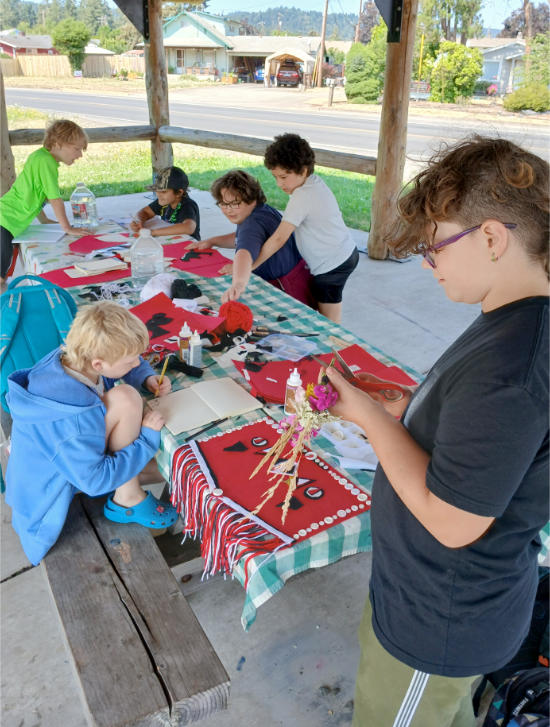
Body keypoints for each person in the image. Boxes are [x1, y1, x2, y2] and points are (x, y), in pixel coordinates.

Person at [325, 136, 549, 726]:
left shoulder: (511, 369)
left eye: (437, 247)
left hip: (441, 620)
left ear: (493, 237)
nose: (430, 264)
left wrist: (368, 417)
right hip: (443, 602)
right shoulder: (515, 320)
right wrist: (412, 406)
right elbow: (490, 440)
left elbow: (453, 521)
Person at [5, 301, 179, 566]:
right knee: (128, 401)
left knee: (168, 467)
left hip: (74, 462)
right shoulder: (71, 420)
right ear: (98, 364)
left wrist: (145, 377)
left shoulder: (75, 360)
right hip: (51, 497)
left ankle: (135, 485)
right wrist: (144, 439)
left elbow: (124, 360)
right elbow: (95, 481)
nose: (136, 362)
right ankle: (127, 499)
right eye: (130, 361)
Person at [224, 133, 359, 323]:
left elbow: (279, 238)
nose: (279, 184)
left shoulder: (302, 196)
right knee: (322, 311)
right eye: (275, 177)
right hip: (343, 252)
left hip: (332, 265)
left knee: (330, 323)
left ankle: (335, 349)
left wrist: (250, 266)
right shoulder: (312, 182)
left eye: (284, 177)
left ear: (303, 171)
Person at [188, 169, 314, 307]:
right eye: (223, 204)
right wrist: (212, 241)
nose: (228, 209)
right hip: (301, 279)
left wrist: (238, 283)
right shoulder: (261, 211)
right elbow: (242, 239)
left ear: (252, 200)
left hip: (286, 290)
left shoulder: (251, 224)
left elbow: (244, 253)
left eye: (235, 203)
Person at [0, 119, 90, 283]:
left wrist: (44, 219)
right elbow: (55, 199)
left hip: (6, 219)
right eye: (76, 149)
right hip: (5, 221)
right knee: (1, 277)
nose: (80, 155)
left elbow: (35, 193)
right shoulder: (46, 162)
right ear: (57, 143)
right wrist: (67, 228)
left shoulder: (40, 157)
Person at [130, 165, 201, 240]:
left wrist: (152, 232)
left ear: (179, 192)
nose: (158, 195)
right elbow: (145, 212)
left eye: (163, 192)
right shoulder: (164, 201)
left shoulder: (187, 205)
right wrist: (139, 221)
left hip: (189, 245)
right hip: (171, 241)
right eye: (156, 190)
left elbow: (188, 228)